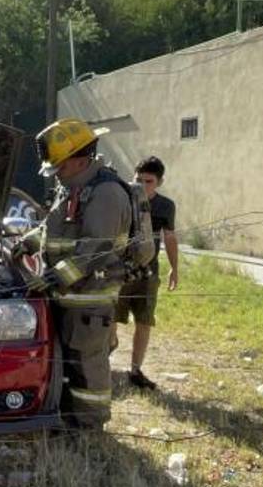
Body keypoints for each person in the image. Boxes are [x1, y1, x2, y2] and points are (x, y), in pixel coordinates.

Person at [14, 118, 130, 430]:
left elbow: (96, 250)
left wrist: (54, 277)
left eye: (60, 167)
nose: (58, 175)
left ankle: (90, 427)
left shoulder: (106, 194)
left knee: (88, 369)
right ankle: (66, 419)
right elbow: (52, 229)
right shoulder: (73, 188)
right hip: (67, 299)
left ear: (80, 160)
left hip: (90, 301)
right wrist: (25, 243)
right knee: (66, 365)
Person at [113, 156, 178, 390]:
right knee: (111, 318)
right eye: (138, 179)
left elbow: (170, 237)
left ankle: (135, 370)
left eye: (148, 181)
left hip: (148, 272)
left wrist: (174, 268)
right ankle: (105, 358)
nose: (141, 184)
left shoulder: (165, 206)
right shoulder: (122, 199)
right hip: (119, 270)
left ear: (159, 182)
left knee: (144, 320)